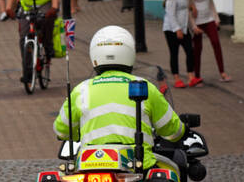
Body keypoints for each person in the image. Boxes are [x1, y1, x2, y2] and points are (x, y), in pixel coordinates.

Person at [54, 26, 187, 171]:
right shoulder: (144, 87)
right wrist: (183, 131)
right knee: (169, 177)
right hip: (138, 164)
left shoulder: (81, 90)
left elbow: (61, 130)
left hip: (91, 165)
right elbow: (172, 130)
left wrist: (76, 133)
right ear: (130, 53)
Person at [184, 0, 230, 83]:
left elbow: (211, 2)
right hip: (197, 22)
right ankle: (197, 75)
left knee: (216, 43)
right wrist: (193, 26)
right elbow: (187, 8)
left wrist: (216, 18)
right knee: (197, 49)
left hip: (209, 19)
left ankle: (222, 72)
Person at [162, 0, 197, 88]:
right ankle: (177, 79)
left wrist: (192, 8)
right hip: (171, 30)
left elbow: (186, 9)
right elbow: (171, 15)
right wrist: (177, 29)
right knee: (174, 53)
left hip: (184, 28)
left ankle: (191, 76)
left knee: (190, 51)